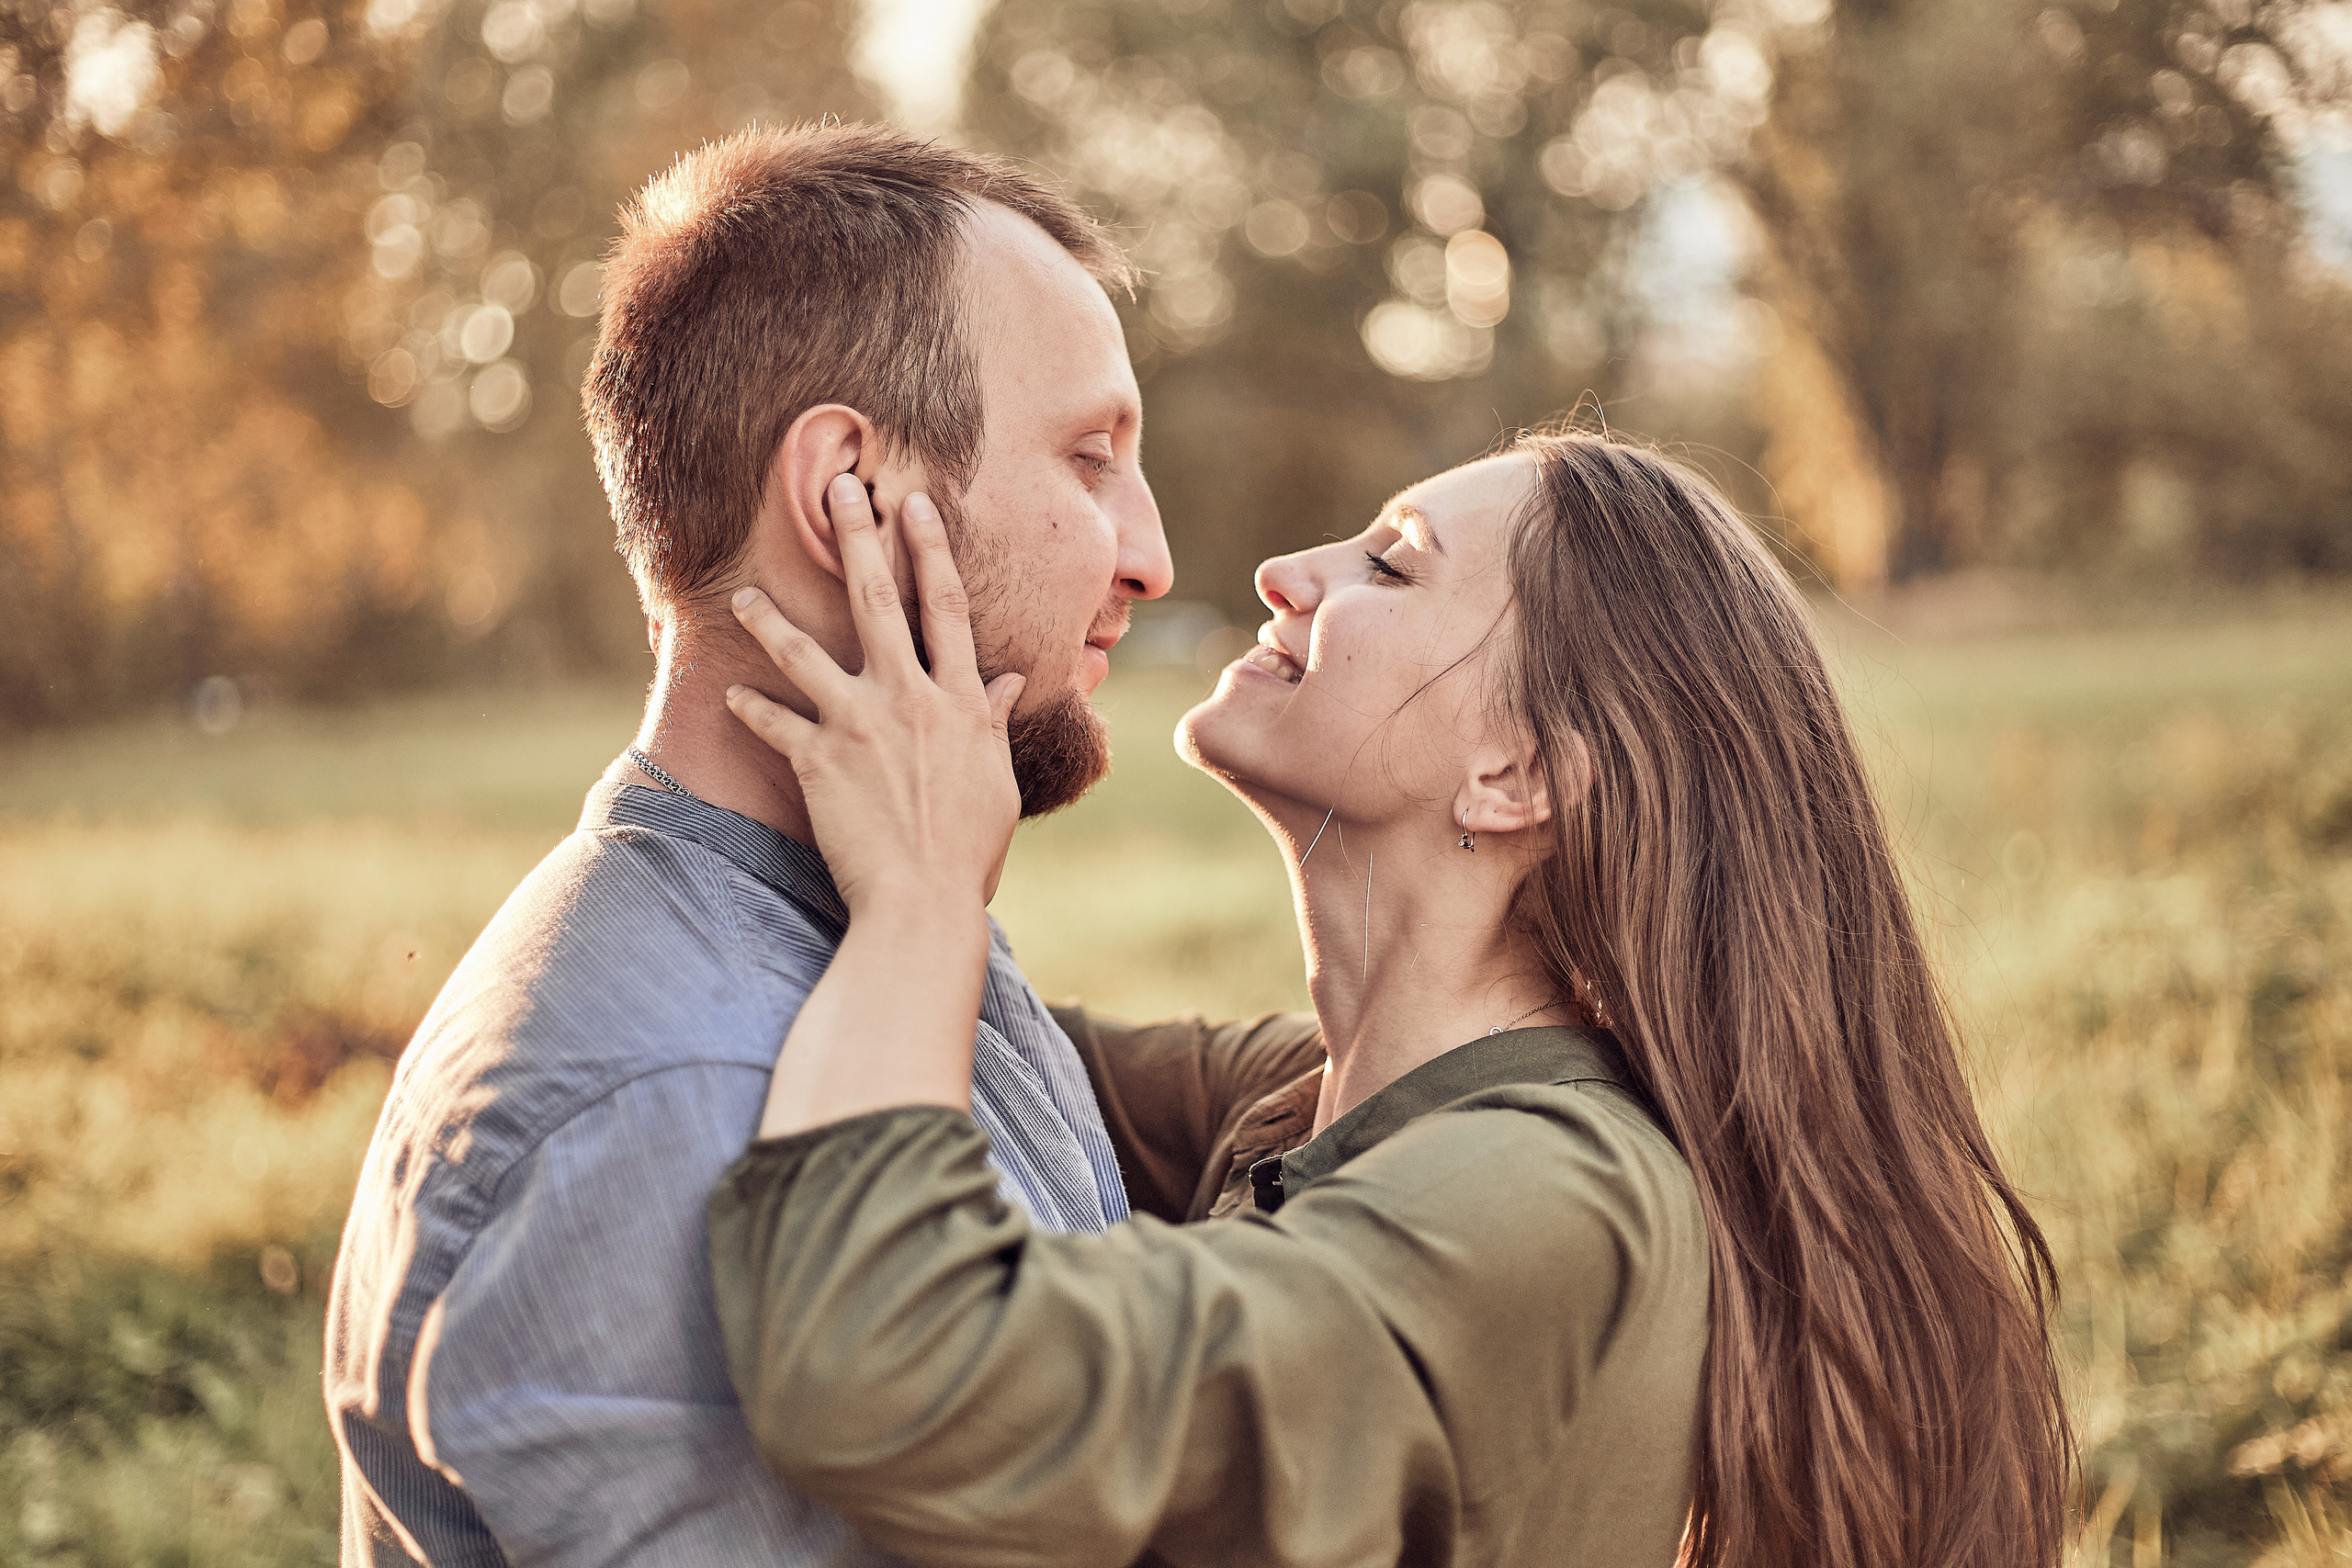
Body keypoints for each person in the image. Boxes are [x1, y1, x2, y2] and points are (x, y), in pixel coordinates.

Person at [705, 432, 2076, 1567]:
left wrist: (928, 901)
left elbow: (891, 1368)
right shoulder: (1331, 1095)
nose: (1283, 573)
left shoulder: (1549, 1198)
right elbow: (954, 1051)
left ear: (1518, 775)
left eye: (1391, 564)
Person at [322, 123, 1324, 1565]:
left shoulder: (865, 928)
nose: (1150, 556)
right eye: (1091, 456)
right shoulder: (684, 1102)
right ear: (846, 490)